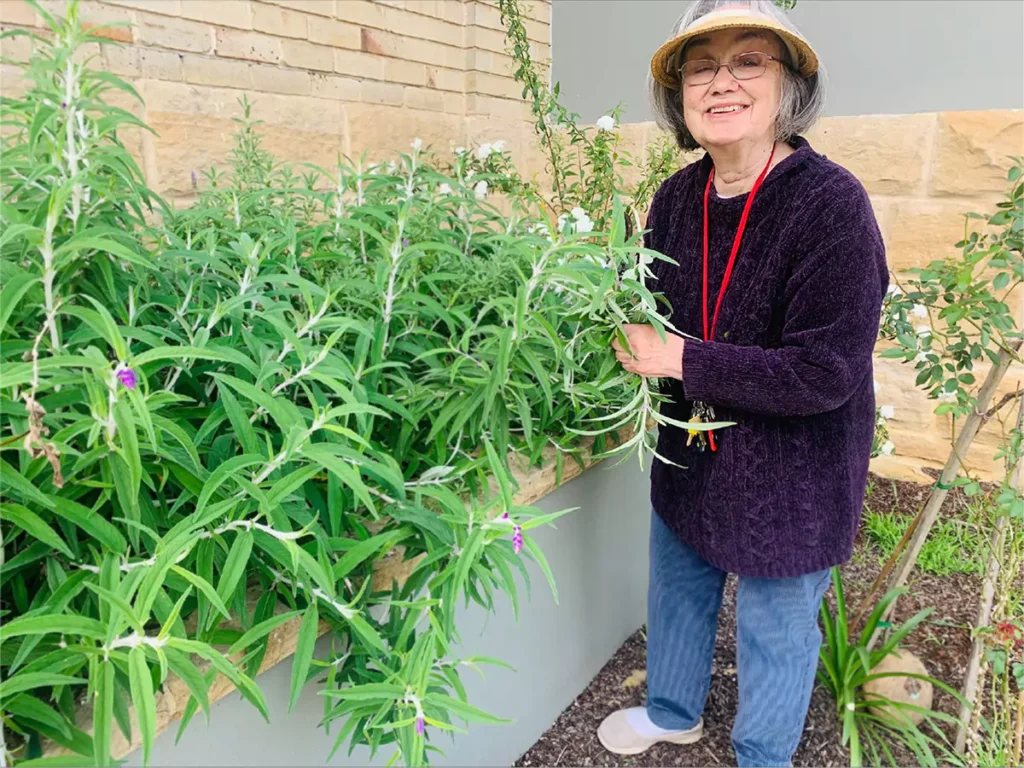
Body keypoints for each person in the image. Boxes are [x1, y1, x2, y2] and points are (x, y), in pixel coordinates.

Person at [599, 1, 887, 765]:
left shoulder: (831, 205)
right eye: (702, 67)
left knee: (776, 624)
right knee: (679, 589)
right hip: (689, 447)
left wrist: (680, 359)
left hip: (796, 471)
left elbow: (824, 373)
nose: (721, 82)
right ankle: (671, 709)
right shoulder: (675, 198)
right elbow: (646, 308)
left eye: (748, 61)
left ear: (789, 86)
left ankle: (762, 754)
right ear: (679, 95)